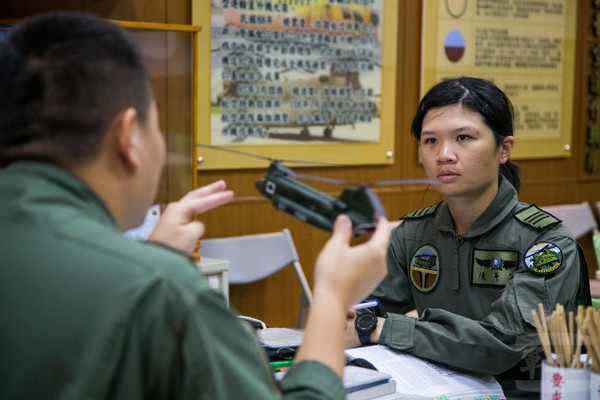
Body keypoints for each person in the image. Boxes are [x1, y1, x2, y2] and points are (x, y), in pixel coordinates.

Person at [0, 12, 392, 400]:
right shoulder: (167, 292)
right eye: (155, 125)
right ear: (127, 138)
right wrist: (332, 298)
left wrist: (152, 258)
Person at [345, 77, 591, 398]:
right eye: (430, 141)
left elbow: (501, 346)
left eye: (463, 137)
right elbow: (371, 311)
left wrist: (381, 328)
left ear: (504, 149)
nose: (444, 154)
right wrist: (360, 317)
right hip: (435, 387)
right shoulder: (412, 233)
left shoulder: (545, 244)